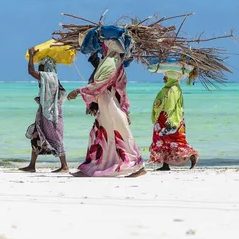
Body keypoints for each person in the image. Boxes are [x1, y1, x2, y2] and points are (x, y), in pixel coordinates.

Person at [67, 39, 146, 177]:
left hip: (111, 104)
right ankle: (93, 166)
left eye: (104, 46)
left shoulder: (112, 62)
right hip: (107, 104)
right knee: (99, 135)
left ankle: (138, 167)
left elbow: (101, 83)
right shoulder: (111, 60)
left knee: (121, 134)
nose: (103, 48)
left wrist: (79, 91)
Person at [19, 47, 69, 173]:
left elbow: (31, 71)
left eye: (41, 67)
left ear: (47, 68)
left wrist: (31, 56)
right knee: (36, 134)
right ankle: (32, 165)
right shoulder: (52, 77)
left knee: (56, 137)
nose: (39, 70)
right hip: (45, 110)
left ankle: (64, 165)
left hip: (52, 113)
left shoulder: (49, 77)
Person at [149, 70, 199, 170]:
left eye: (166, 76)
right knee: (161, 141)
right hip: (163, 119)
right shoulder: (168, 88)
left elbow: (171, 106)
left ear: (171, 77)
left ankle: (192, 156)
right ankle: (165, 164)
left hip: (170, 120)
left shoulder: (173, 89)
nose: (164, 78)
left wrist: (171, 120)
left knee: (176, 140)